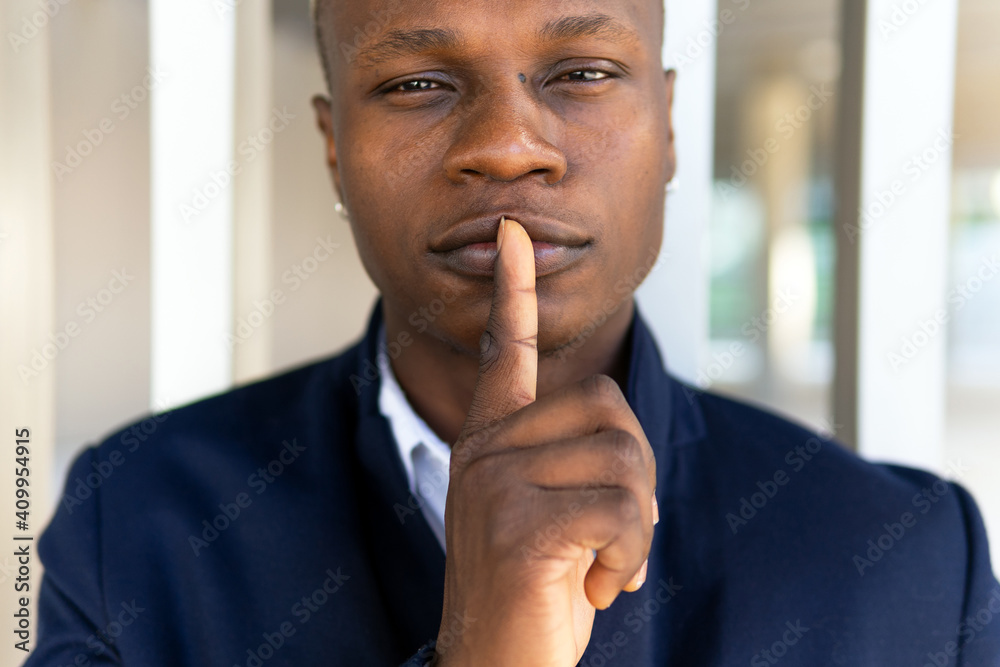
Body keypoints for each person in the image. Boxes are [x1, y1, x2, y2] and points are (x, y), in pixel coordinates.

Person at [28, 0, 1000, 665]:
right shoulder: (135, 524)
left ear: (666, 128)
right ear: (334, 149)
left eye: (581, 71)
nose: (505, 144)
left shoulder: (906, 560)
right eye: (416, 84)